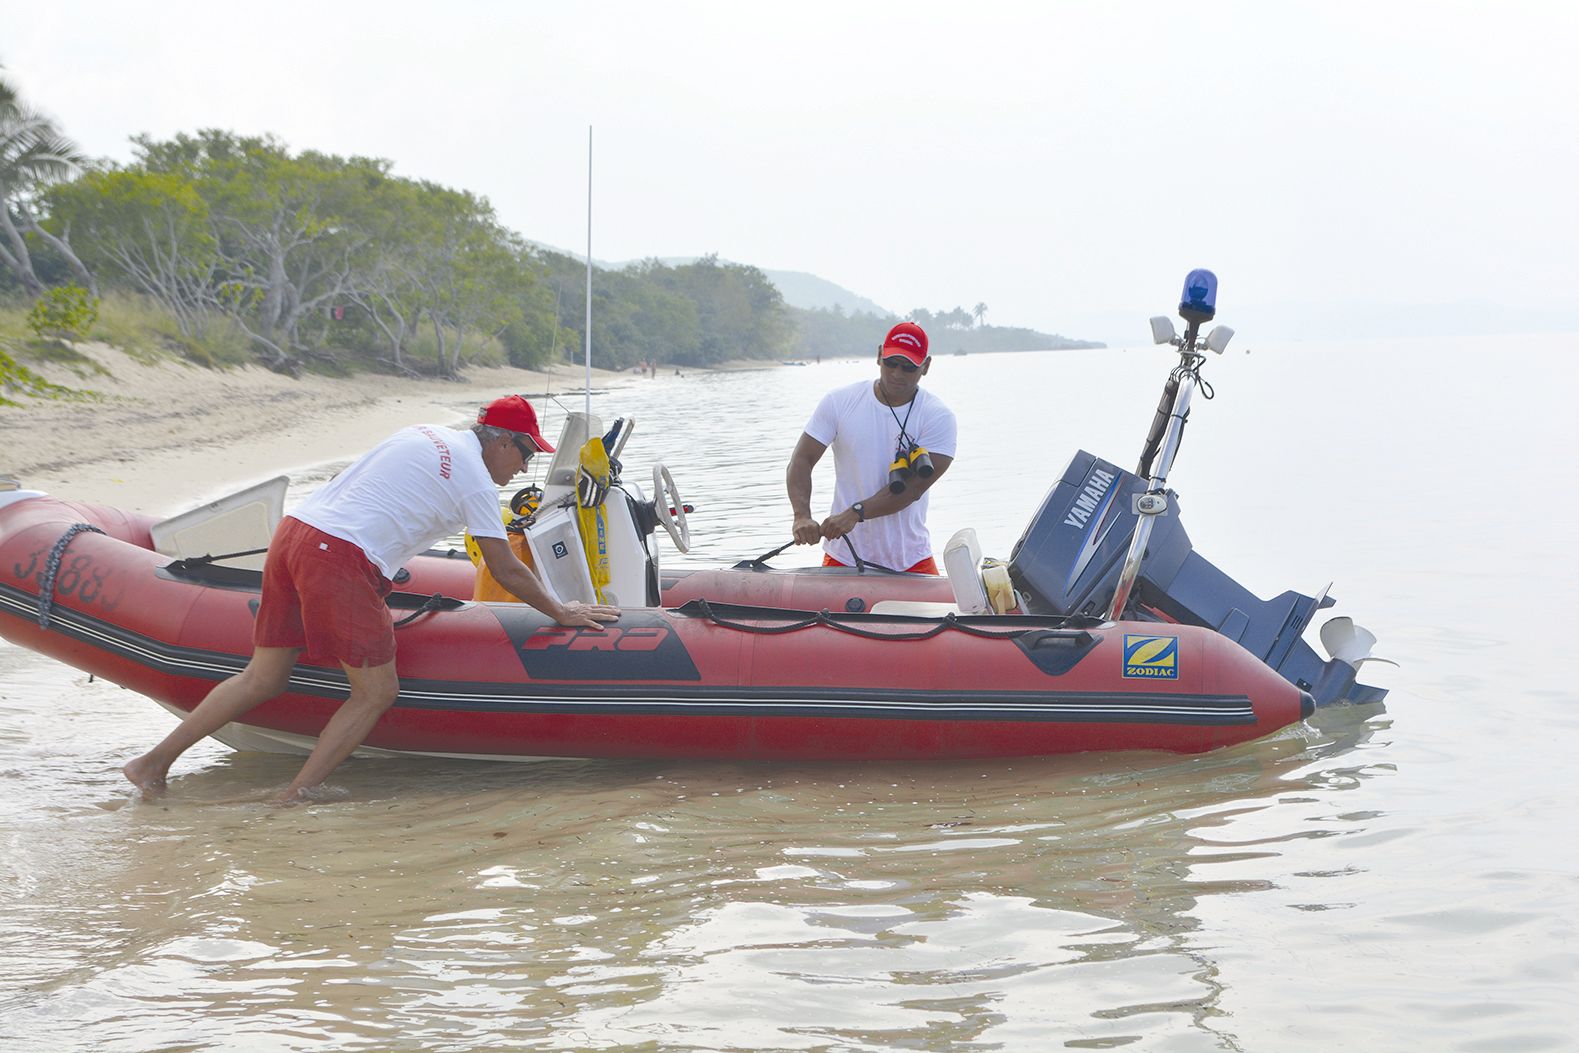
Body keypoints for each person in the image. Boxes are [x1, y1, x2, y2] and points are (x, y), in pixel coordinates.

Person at [123, 395, 619, 804]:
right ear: (503, 442)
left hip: (295, 534)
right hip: (337, 556)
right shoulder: (474, 479)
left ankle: (152, 764)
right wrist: (563, 610)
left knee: (264, 676)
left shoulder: (426, 432)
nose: (524, 467)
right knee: (376, 691)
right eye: (526, 455)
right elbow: (505, 567)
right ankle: (298, 794)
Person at [786, 321, 957, 574]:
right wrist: (801, 515)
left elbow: (912, 490)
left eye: (909, 367)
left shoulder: (938, 417)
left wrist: (856, 512)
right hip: (844, 555)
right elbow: (801, 460)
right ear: (879, 355)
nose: (897, 374)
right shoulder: (839, 402)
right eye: (891, 363)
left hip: (910, 559)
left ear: (926, 366)